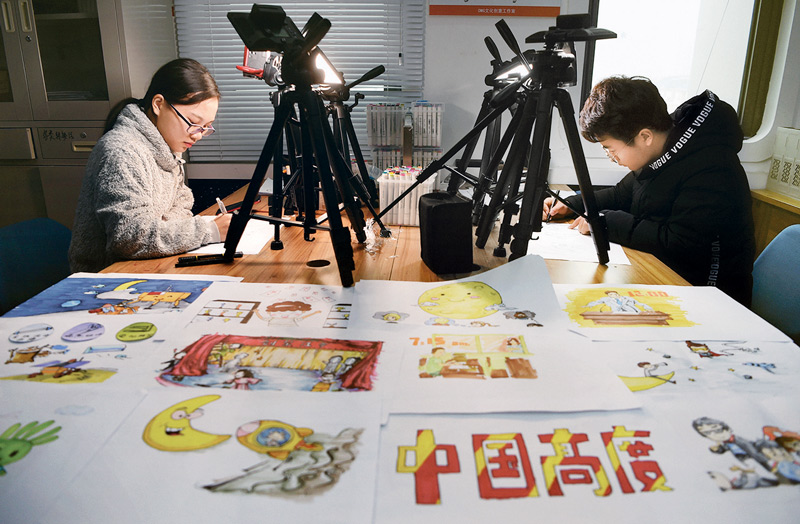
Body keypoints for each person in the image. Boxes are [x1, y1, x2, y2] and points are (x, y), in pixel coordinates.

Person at [542, 76, 755, 305]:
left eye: (611, 149)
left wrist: (604, 223)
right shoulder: (662, 153)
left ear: (645, 137)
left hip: (711, 295)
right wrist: (572, 204)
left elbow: (681, 245)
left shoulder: (712, 168)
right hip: (671, 276)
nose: (611, 157)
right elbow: (620, 195)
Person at [69, 58, 233, 272]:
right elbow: (129, 238)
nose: (198, 135)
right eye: (193, 123)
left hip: (149, 265)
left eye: (206, 127)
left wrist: (159, 229)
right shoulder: (121, 151)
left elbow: (183, 201)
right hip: (108, 278)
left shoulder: (167, 144)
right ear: (158, 104)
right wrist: (208, 230)